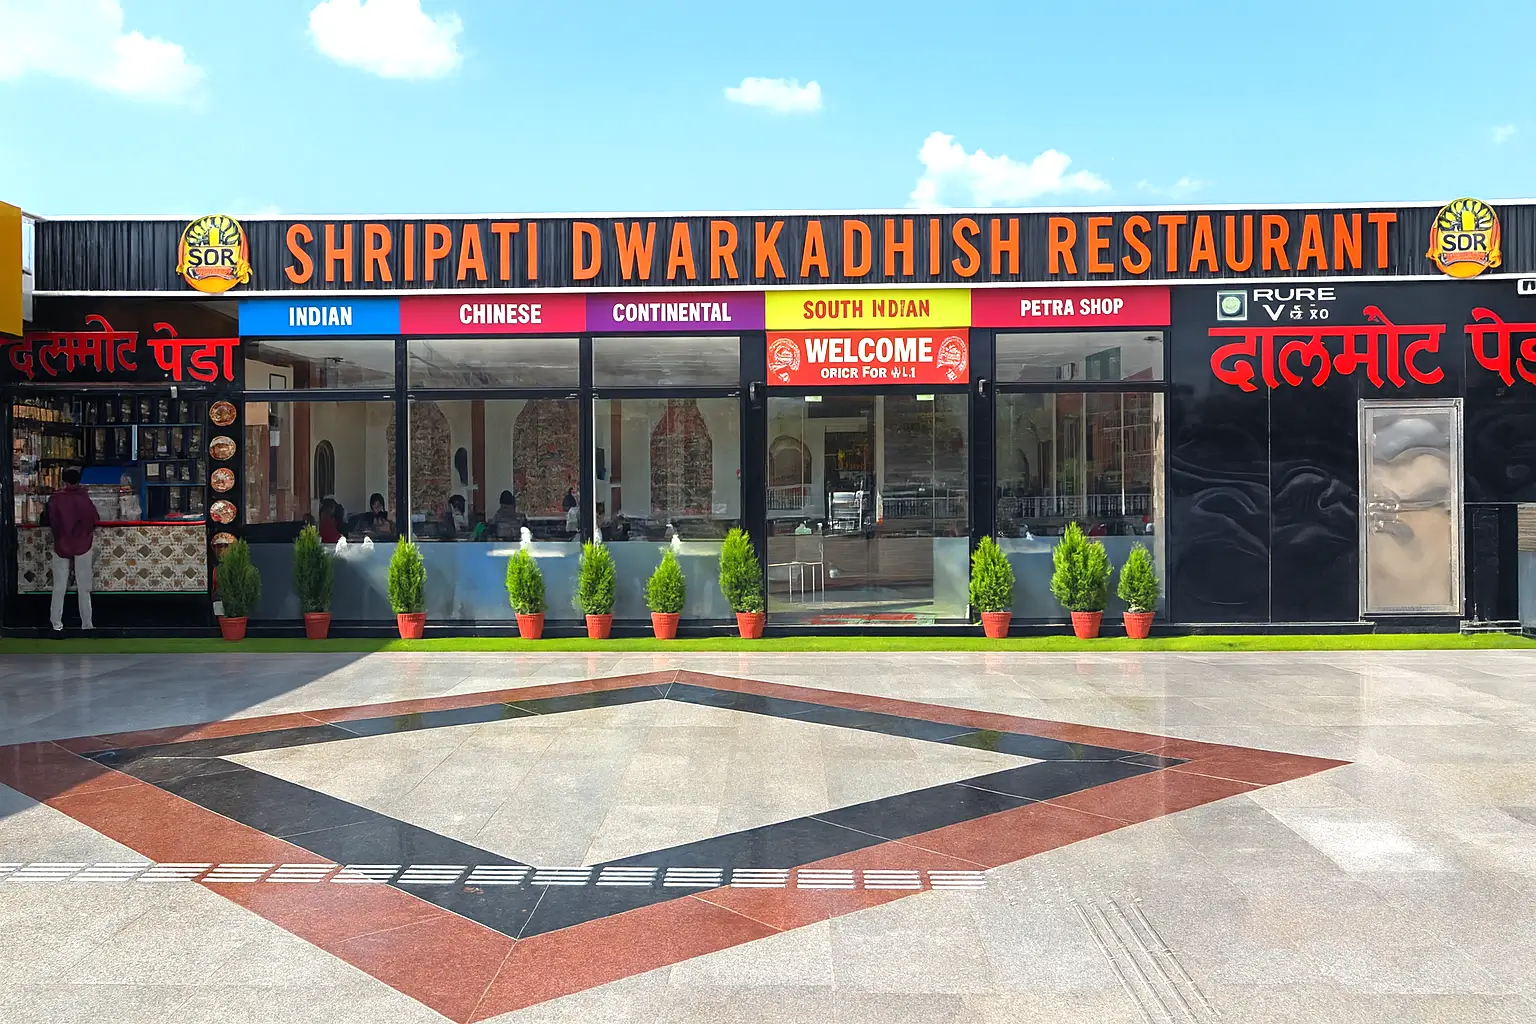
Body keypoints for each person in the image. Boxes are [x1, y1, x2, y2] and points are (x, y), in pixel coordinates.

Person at [45, 468, 99, 633]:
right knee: (84, 587)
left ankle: (56, 623)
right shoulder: (85, 498)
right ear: (78, 480)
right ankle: (87, 624)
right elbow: (94, 519)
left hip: (62, 545)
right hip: (83, 544)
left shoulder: (56, 499)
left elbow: (52, 521)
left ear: (63, 481)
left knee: (59, 586)